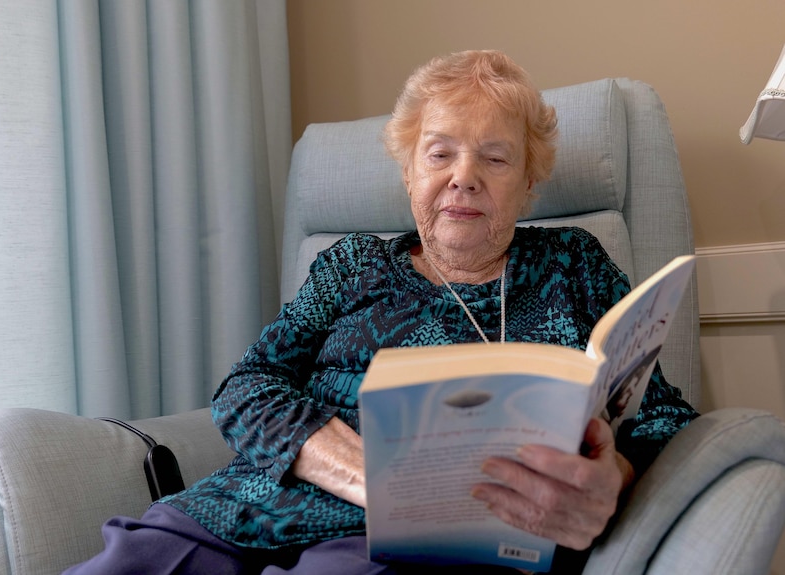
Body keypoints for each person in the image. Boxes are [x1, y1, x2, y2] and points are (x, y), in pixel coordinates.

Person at [64, 50, 698, 575]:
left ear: (531, 181)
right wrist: (364, 474)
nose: (464, 177)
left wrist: (611, 477)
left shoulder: (573, 265)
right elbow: (247, 386)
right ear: (407, 170)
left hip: (418, 546)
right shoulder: (352, 265)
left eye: (496, 158)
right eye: (439, 152)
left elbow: (663, 416)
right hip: (245, 509)